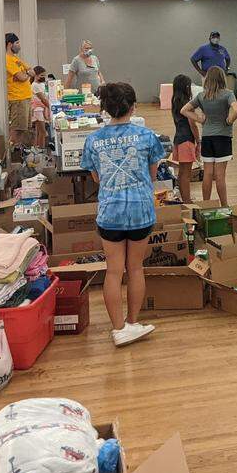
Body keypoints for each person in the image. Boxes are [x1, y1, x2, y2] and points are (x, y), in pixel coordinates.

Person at [81, 82, 165, 347]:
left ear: (105, 108)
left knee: (113, 271)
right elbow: (153, 175)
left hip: (110, 212)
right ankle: (132, 322)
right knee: (136, 268)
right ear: (133, 107)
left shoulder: (93, 140)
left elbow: (96, 178)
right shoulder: (147, 136)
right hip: (140, 210)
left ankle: (118, 329)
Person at [182, 66, 237, 205]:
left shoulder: (202, 96)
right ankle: (224, 205)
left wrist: (200, 119)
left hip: (207, 137)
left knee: (207, 174)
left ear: (208, 79)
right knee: (220, 175)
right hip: (223, 138)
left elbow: (184, 110)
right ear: (222, 78)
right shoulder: (228, 94)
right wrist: (229, 120)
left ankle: (206, 204)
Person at [169, 75, 198, 204]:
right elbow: (192, 124)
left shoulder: (175, 101)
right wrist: (199, 140)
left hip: (178, 139)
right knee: (186, 173)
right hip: (187, 139)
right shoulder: (187, 104)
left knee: (181, 172)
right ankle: (187, 201)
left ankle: (184, 198)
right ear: (186, 87)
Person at [5, 33, 34, 147]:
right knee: (17, 129)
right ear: (9, 44)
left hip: (25, 97)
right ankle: (13, 151)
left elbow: (31, 71)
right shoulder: (7, 59)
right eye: (17, 43)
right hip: (17, 99)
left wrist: (26, 73)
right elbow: (22, 77)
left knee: (24, 129)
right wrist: (26, 73)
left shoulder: (16, 58)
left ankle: (20, 151)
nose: (19, 45)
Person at [30, 66, 51, 149]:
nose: (43, 77)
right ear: (35, 75)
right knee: (43, 132)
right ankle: (41, 149)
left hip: (41, 109)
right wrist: (51, 108)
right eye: (41, 75)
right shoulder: (34, 85)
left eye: (44, 75)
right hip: (37, 110)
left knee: (39, 131)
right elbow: (43, 99)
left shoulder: (41, 84)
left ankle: (37, 148)